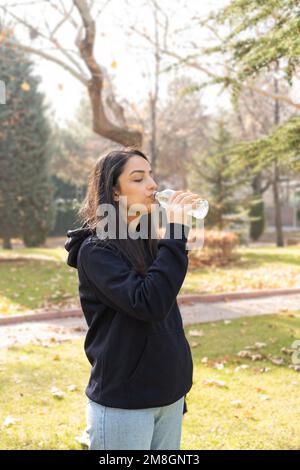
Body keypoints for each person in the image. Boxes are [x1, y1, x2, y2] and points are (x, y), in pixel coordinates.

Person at [65, 148, 199, 450]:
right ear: (114, 190)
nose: (152, 184)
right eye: (138, 178)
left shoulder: (147, 240)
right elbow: (148, 303)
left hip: (169, 393)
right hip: (125, 402)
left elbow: (164, 302)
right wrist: (176, 233)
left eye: (151, 175)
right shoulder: (96, 251)